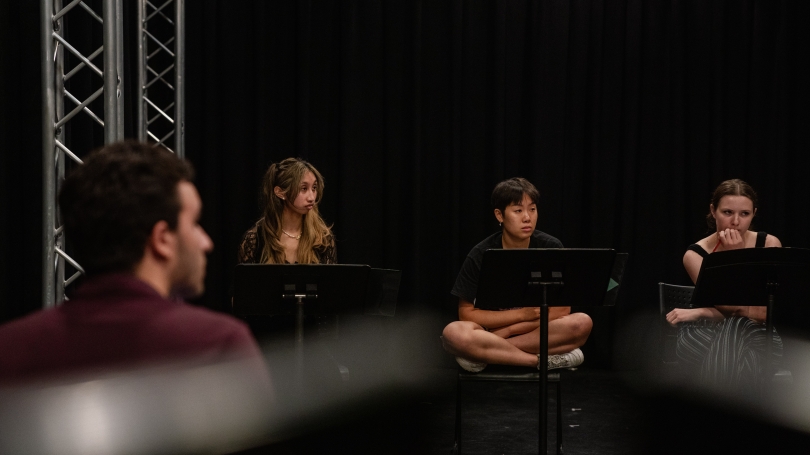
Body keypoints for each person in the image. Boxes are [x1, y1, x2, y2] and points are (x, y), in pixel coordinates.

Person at [0, 141, 268, 384]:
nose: (206, 242)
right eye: (195, 224)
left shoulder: (9, 347)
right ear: (162, 239)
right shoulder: (218, 346)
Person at [441, 178, 592, 372]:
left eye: (532, 209)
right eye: (518, 210)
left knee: (582, 322)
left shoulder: (550, 247)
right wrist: (521, 314)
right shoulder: (481, 253)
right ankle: (539, 361)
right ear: (499, 215)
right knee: (453, 333)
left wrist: (508, 331)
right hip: (488, 331)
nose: (527, 217)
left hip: (529, 331)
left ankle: (485, 354)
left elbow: (561, 310)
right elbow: (466, 313)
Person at [666, 179, 782, 391]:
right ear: (713, 210)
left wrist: (700, 312)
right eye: (728, 212)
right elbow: (736, 308)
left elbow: (761, 313)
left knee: (737, 327)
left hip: (758, 333)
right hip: (702, 334)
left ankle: (714, 417)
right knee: (744, 349)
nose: (736, 221)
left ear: (754, 213)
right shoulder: (695, 254)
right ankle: (738, 419)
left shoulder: (769, 245)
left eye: (744, 214)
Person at [237, 158, 336, 265]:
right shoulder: (255, 239)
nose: (312, 197)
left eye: (314, 188)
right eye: (303, 188)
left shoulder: (323, 238)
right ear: (280, 192)